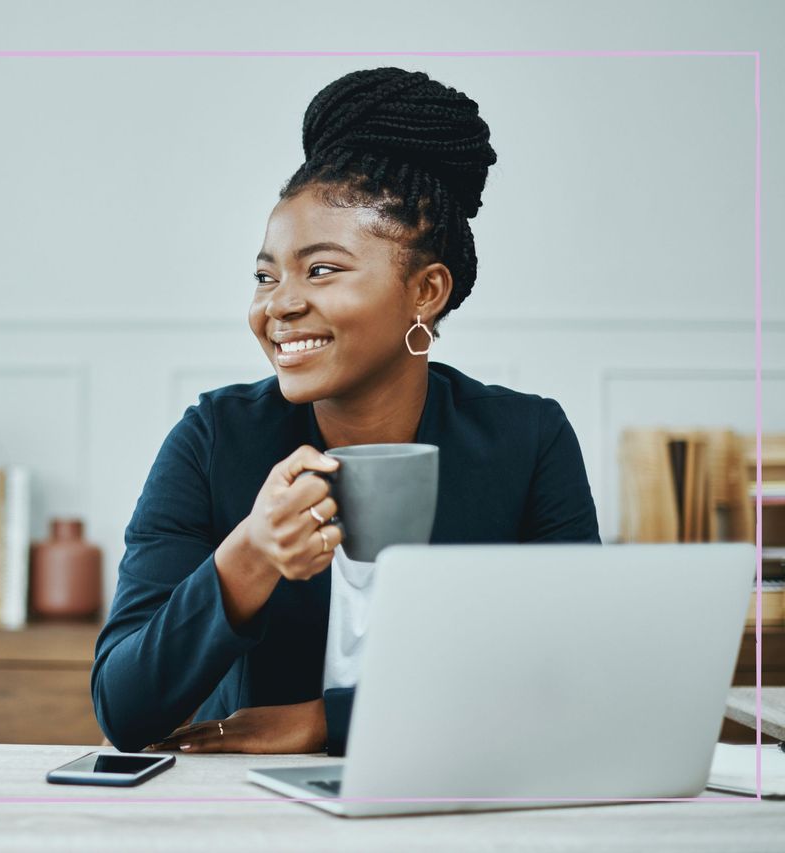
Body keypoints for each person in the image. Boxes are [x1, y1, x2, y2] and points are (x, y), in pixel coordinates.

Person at [90, 66, 600, 757]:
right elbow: (123, 710)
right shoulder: (212, 439)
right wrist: (247, 556)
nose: (279, 304)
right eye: (266, 275)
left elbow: (572, 678)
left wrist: (325, 721)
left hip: (461, 798)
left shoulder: (528, 440)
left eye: (321, 270)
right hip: (250, 815)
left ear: (426, 290)